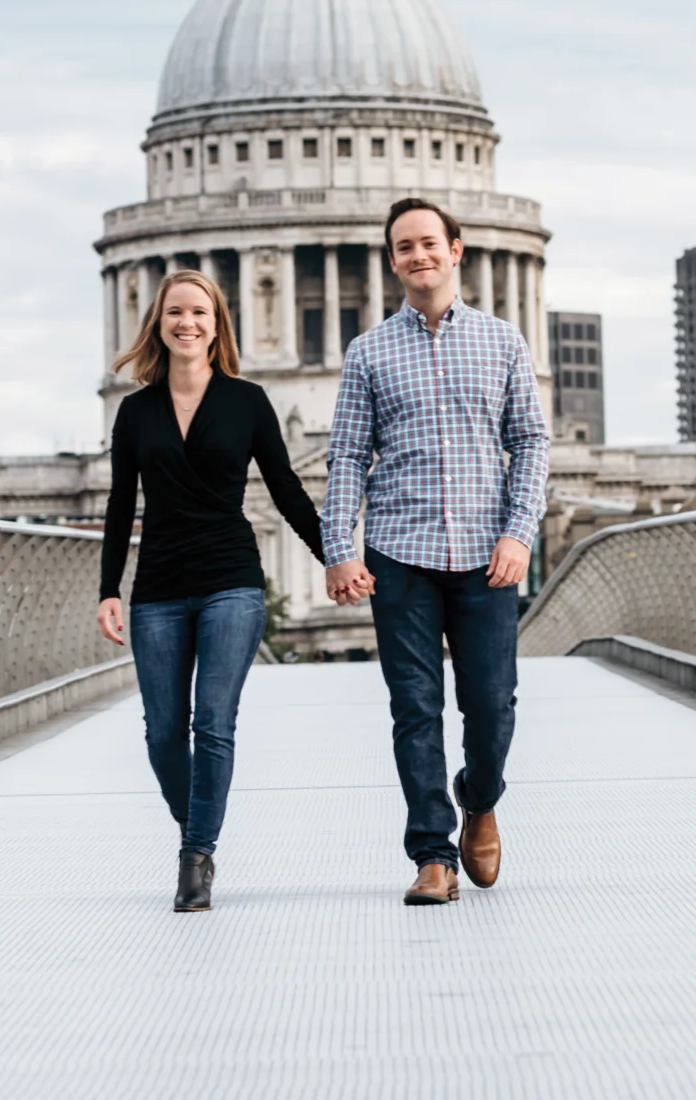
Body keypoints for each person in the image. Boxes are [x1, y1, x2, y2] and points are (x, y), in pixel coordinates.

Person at [321, 198, 550, 905]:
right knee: (415, 707)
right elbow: (347, 455)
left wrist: (520, 531)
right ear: (392, 261)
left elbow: (533, 442)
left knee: (491, 706)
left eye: (429, 242)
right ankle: (432, 853)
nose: (418, 256)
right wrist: (339, 547)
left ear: (457, 249)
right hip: (400, 551)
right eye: (404, 247)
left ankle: (479, 801)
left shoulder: (504, 341)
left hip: (488, 552)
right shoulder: (367, 351)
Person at [96, 267, 325, 912]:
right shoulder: (134, 411)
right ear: (158, 324)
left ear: (218, 323)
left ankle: (194, 859)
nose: (187, 323)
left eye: (199, 312)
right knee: (163, 733)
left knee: (214, 724)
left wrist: (334, 557)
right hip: (159, 588)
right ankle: (201, 827)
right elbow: (120, 507)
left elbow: (286, 490)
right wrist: (109, 588)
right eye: (175, 313)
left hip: (231, 581)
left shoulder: (247, 401)